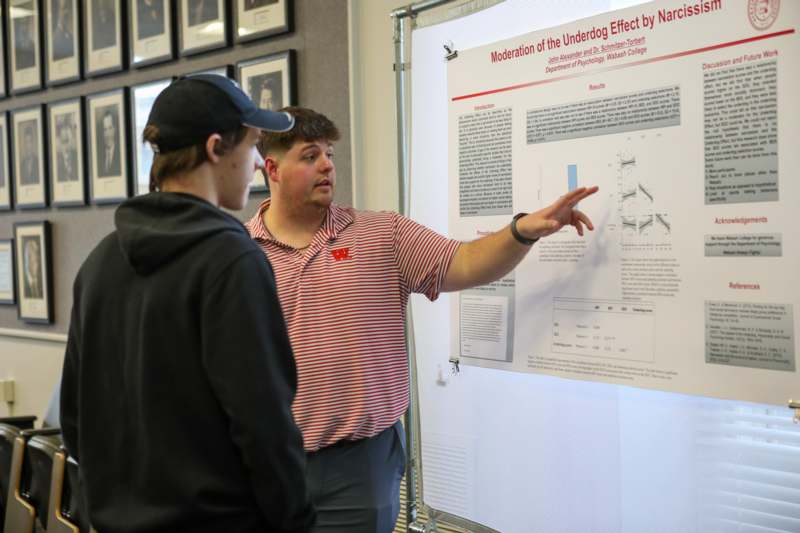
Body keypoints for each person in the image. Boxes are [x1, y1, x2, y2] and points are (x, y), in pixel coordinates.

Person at [246, 107, 598, 532]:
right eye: (309, 155)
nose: (326, 165)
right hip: (267, 464)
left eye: (330, 154)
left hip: (358, 468)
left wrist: (522, 231)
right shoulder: (239, 252)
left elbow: (464, 262)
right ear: (272, 168)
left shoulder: (380, 234)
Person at [60, 75, 316, 533]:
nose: (259, 162)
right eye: (254, 144)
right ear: (216, 148)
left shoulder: (100, 261)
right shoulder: (232, 260)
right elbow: (264, 428)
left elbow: (75, 422)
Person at [96, 108, 120, 177]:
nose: (107, 134)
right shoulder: (99, 156)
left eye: (110, 128)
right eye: (105, 130)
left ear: (114, 129)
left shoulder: (120, 153)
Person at [55, 115, 78, 182]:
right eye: (64, 142)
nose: (66, 146)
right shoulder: (57, 161)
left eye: (68, 140)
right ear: (60, 142)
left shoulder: (76, 157)